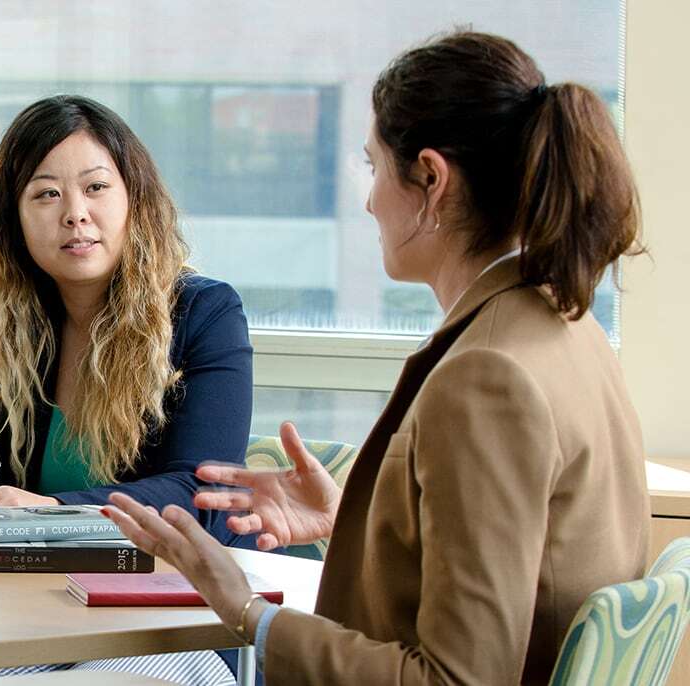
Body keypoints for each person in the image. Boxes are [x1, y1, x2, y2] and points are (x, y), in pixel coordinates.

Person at [104, 30, 648, 685]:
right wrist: (354, 521)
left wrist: (243, 608)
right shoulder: (565, 324)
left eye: (374, 167)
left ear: (430, 179)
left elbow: (453, 679)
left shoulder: (487, 378)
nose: (368, 201)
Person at [0, 95, 251, 685]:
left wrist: (49, 509)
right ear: (13, 218)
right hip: (25, 611)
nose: (75, 214)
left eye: (96, 188)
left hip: (164, 618)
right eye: (46, 194)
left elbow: (202, 492)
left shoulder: (203, 312)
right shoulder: (1, 324)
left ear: (133, 200)